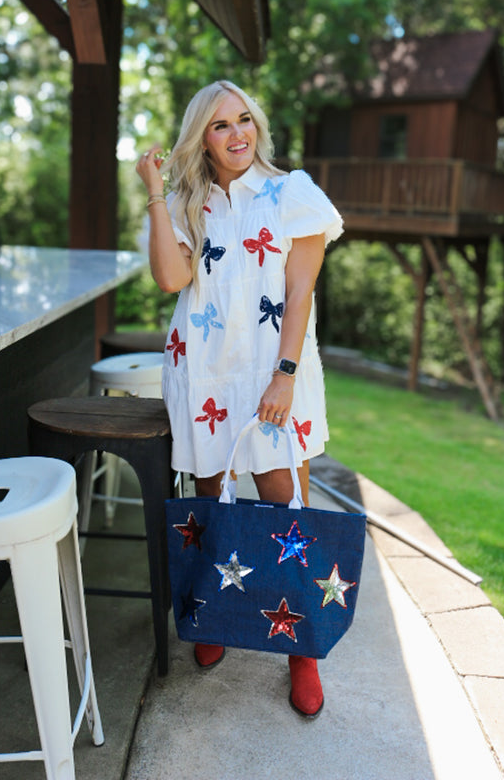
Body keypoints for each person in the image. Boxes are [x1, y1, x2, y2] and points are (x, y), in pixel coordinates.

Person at [136, 79, 343, 718]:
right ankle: (216, 616)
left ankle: (302, 649)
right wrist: (155, 192)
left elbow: (300, 293)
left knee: (286, 510)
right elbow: (172, 277)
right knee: (212, 503)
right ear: (202, 137)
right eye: (221, 124)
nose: (237, 134)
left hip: (270, 370)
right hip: (203, 373)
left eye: (245, 119)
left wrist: (284, 374)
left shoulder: (291, 193)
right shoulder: (188, 202)